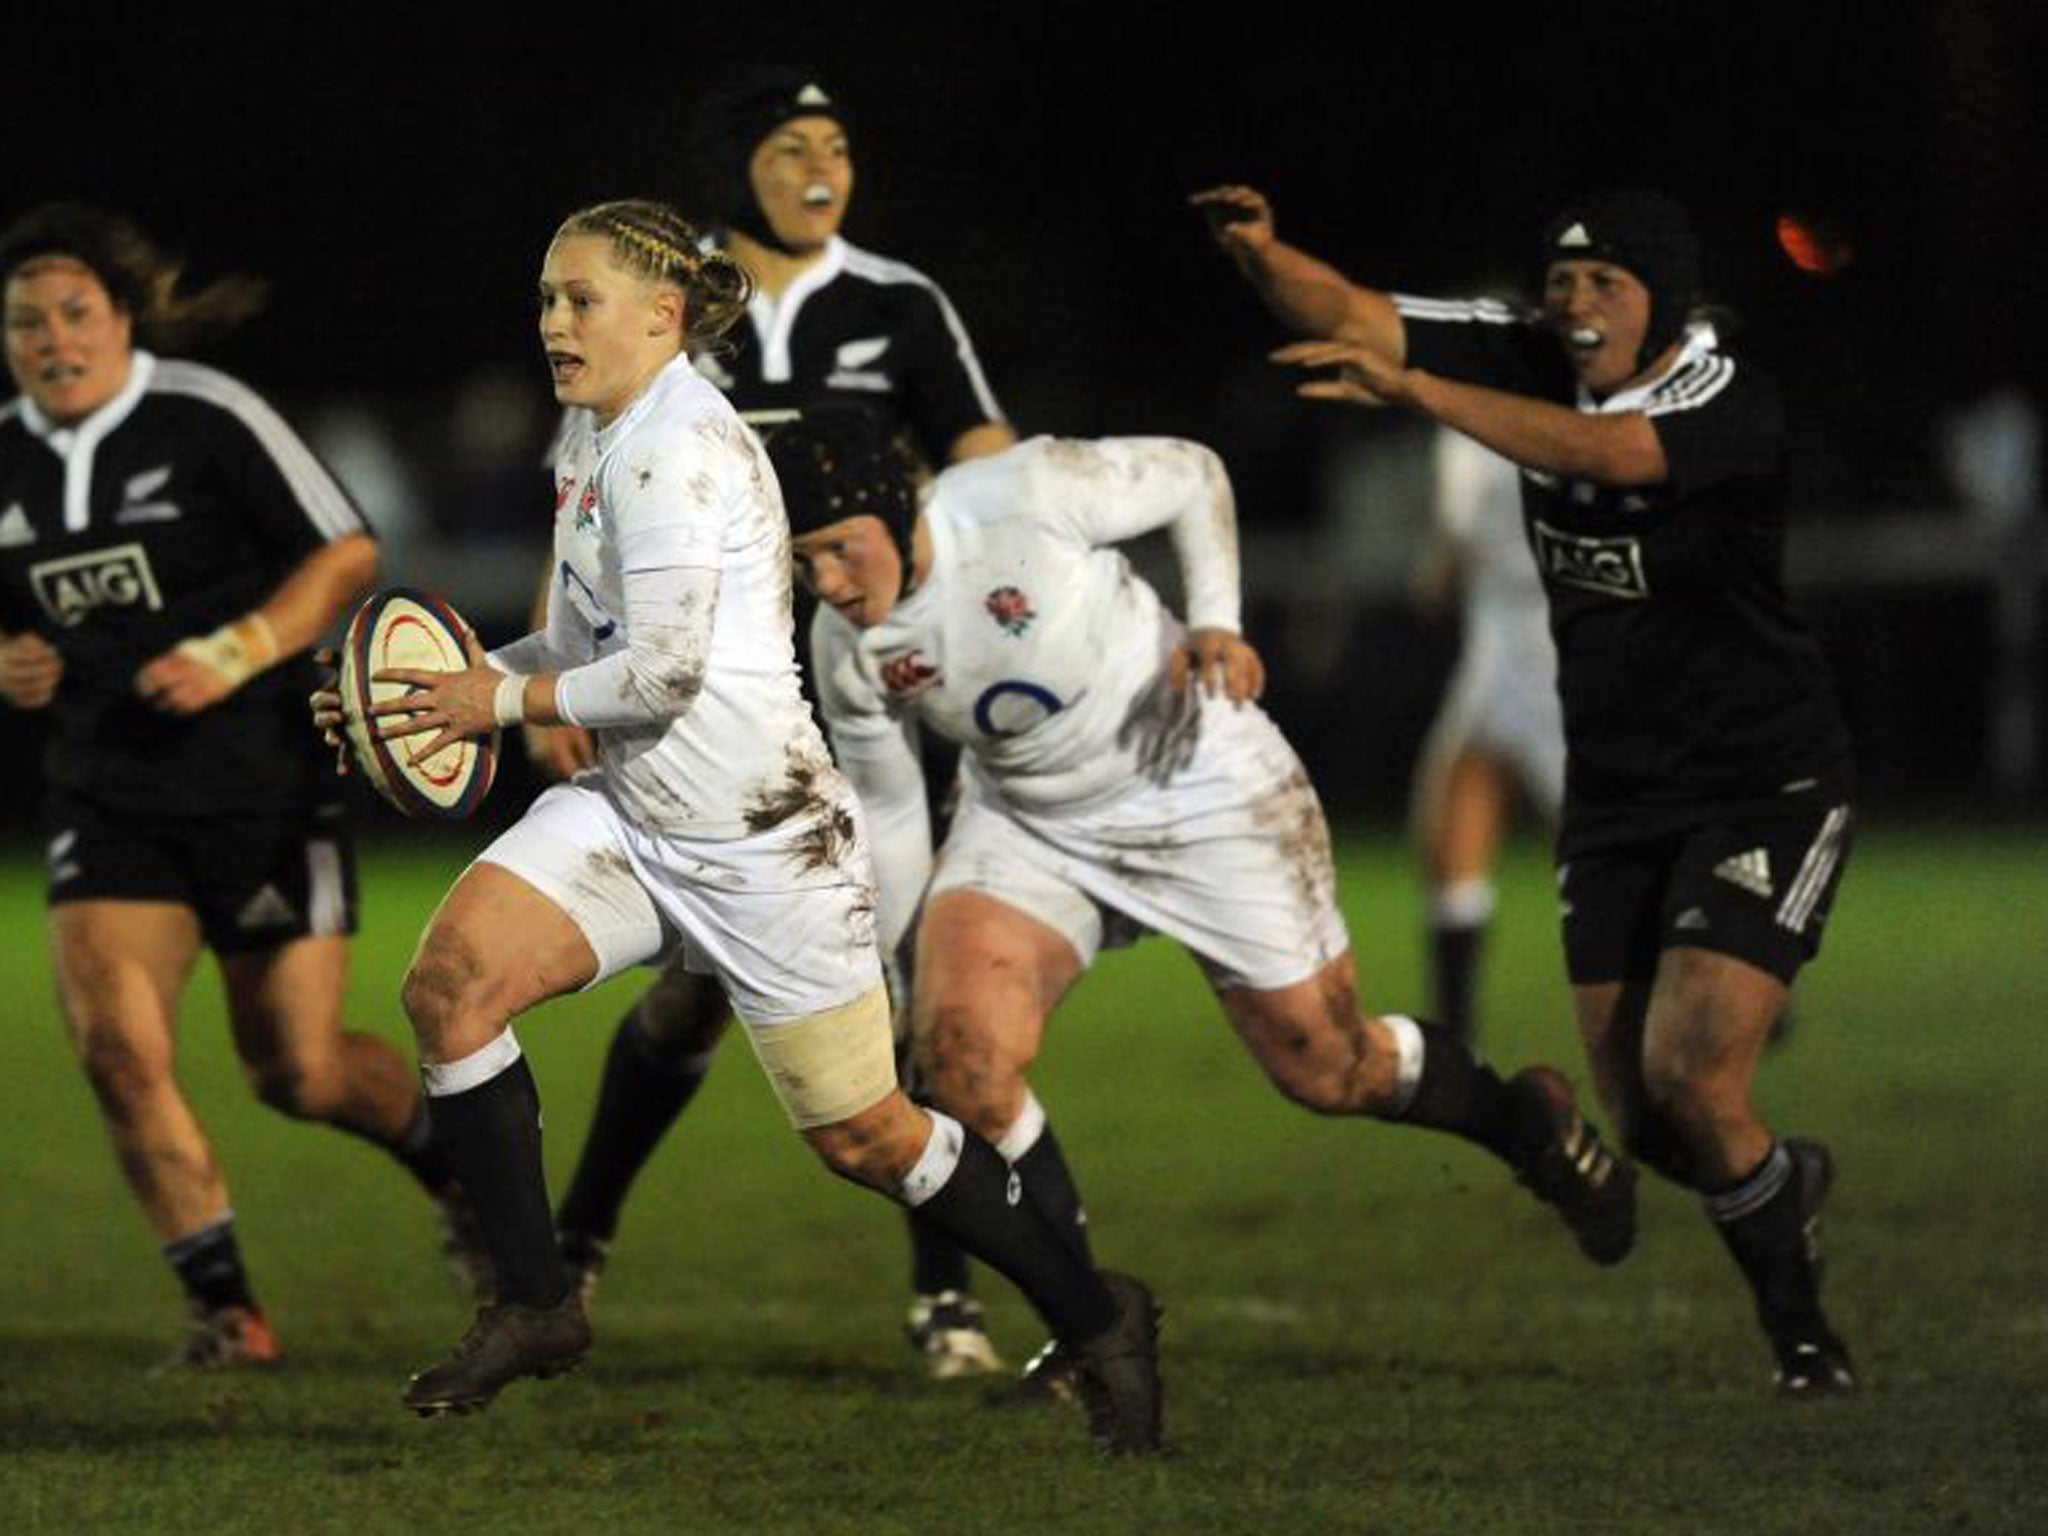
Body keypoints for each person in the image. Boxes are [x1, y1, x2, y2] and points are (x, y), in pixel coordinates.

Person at [318, 198, 1162, 1453]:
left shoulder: (678, 451)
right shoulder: (591, 433)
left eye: (580, 299)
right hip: (631, 812)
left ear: (662, 316)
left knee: (865, 1134)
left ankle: (1100, 1320)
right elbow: (582, 645)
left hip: (765, 838)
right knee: (450, 987)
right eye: (545, 297)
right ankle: (538, 1302)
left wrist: (487, 702)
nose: (553, 321)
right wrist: (423, 702)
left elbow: (660, 674)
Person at [757, 407, 1637, 1388]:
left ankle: (1527, 1127)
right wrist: (894, 967)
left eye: (837, 549)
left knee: (1328, 1067)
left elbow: (1191, 468)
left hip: (1199, 783)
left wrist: (1215, 618)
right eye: (803, 563)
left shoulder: (1022, 493)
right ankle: (1092, 1328)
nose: (827, 582)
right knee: (959, 1061)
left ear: (895, 505)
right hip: (1029, 825)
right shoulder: (845, 646)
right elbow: (887, 813)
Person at [1194, 181, 1859, 1395]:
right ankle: (1783, 1184)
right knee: (1653, 1128)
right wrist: (1262, 252)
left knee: (1692, 1076)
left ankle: (1802, 1339)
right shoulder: (1535, 353)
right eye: (1560, 285)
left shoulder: (1721, 395)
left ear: (1662, 302)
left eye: (1605, 284)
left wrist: (1423, 394)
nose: (1575, 306)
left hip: (1758, 780)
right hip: (1614, 793)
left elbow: (1616, 453)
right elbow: (1351, 310)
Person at [545, 67, 1021, 1380]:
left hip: (869, 702)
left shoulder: (896, 304)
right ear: (733, 165)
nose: (823, 166)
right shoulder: (664, 299)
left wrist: (929, 538)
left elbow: (990, 459)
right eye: (791, 145)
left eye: (839, 145)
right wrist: (560, 662)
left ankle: (946, 1298)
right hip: (714, 719)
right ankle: (576, 1246)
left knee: (911, 991)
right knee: (689, 1001)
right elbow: (584, 480)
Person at [0, 203, 477, 1370]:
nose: (55, 340)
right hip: (106, 795)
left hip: (258, 786)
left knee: (299, 1071)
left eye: (76, 314)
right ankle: (225, 1313)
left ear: (122, 319)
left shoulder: (204, 416)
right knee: (118, 1052)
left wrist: (236, 649)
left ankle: (461, 1173)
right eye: (26, 323)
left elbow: (346, 551)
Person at [1407, 426, 1565, 1044]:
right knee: (1450, 823)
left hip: (1552, 641)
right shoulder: (1472, 419)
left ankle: (1732, 975)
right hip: (1500, 640)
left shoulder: (1487, 421)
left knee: (1608, 846)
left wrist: (1432, 575)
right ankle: (1455, 1031)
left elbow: (1453, 552)